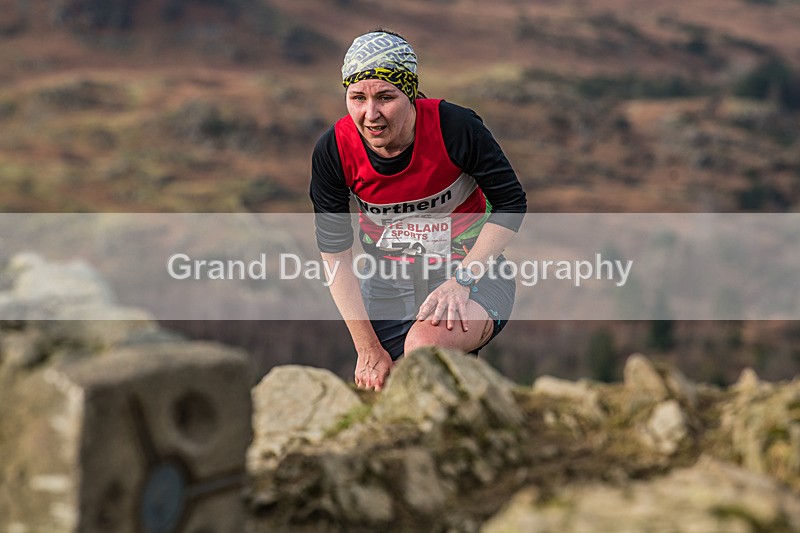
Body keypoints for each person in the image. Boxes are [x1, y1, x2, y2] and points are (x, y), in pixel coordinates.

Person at [310, 30, 527, 391]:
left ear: (409, 93)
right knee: (383, 390)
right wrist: (367, 349)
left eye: (385, 97)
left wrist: (463, 280)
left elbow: (511, 204)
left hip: (472, 273)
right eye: (357, 97)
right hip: (387, 285)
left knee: (424, 351)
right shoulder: (334, 150)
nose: (371, 114)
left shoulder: (456, 128)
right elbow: (335, 257)